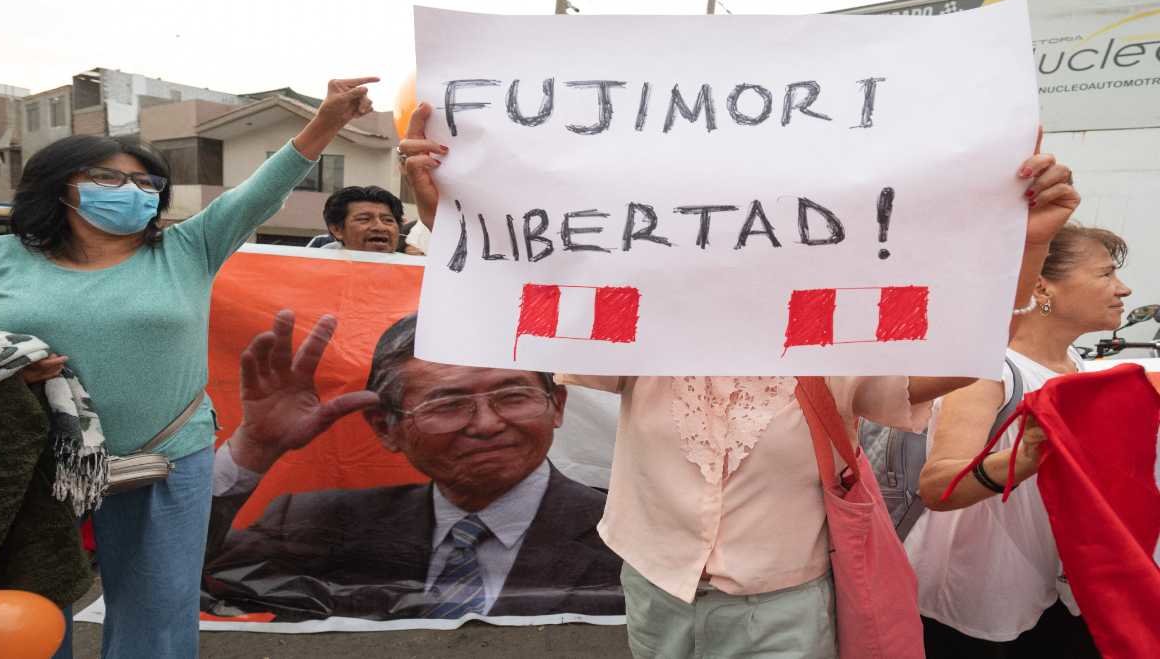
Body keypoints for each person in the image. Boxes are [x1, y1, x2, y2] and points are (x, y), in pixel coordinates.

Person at [398, 104, 1080, 657]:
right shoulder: (647, 309)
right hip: (657, 582)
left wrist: (1029, 244)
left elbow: (963, 352)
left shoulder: (839, 320)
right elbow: (524, 314)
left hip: (783, 599)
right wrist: (451, 217)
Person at [0, 77, 379, 658]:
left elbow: (257, 194)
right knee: (25, 604)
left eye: (143, 180)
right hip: (29, 464)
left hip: (165, 456)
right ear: (59, 187)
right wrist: (7, 368)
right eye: (107, 178)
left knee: (158, 612)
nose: (129, 189)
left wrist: (326, 122)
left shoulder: (188, 248)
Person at [202, 311, 623, 621]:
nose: (487, 424)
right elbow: (170, 579)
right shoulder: (316, 525)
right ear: (386, 428)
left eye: (513, 397)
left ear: (557, 406)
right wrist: (254, 450)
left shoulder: (632, 535)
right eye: (449, 405)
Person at [910, 224, 1129, 658]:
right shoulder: (990, 371)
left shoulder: (1080, 368)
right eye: (1105, 274)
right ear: (1043, 285)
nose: (1123, 289)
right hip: (980, 596)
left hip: (1053, 586)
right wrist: (1025, 456)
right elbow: (938, 484)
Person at [316, 185, 403, 253]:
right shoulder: (314, 269)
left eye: (388, 220)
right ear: (337, 230)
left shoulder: (414, 270)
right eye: (364, 219)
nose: (380, 227)